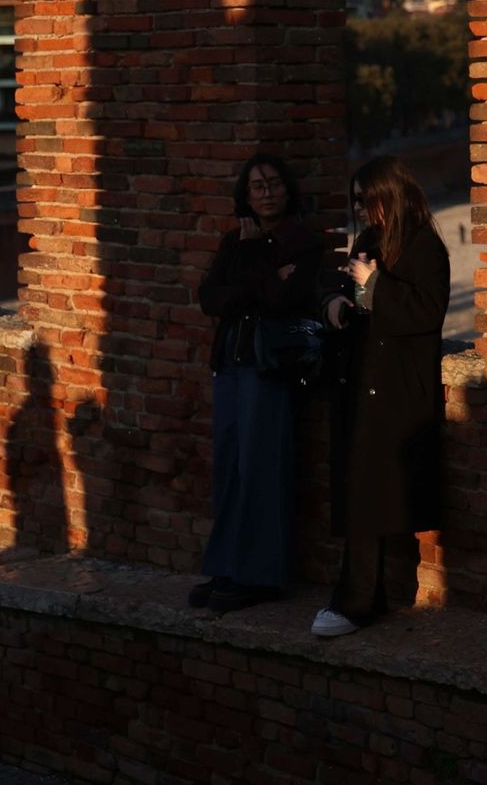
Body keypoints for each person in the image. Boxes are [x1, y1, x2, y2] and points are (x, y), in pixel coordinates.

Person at [311, 156, 450, 638]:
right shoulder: (372, 239)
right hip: (362, 380)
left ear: (388, 195)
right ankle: (360, 597)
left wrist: (373, 284)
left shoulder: (426, 246)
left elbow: (426, 313)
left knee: (372, 498)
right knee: (359, 495)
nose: (361, 211)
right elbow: (353, 288)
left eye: (366, 200)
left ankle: (358, 602)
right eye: (355, 202)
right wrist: (337, 300)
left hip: (396, 390)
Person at [193, 152, 323, 612]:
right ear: (245, 195)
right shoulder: (236, 240)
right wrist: (259, 274)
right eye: (257, 186)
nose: (267, 193)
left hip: (268, 368)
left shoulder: (301, 240)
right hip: (230, 362)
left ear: (288, 189)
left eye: (273, 184)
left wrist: (254, 269)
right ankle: (228, 566)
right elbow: (210, 297)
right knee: (229, 467)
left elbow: (285, 296)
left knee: (261, 467)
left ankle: (260, 575)